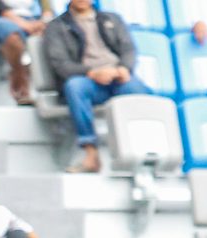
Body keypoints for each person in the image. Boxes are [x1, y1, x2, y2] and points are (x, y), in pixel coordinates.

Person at [46, 0, 146, 174]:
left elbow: (129, 49)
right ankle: (90, 152)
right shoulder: (56, 26)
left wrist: (123, 68)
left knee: (140, 93)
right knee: (74, 87)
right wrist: (92, 72)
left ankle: (142, 152)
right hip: (88, 80)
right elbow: (60, 64)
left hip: (117, 77)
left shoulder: (113, 19)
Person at [0, 0, 50, 104]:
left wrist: (44, 21)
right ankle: (19, 76)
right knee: (13, 36)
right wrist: (25, 25)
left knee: (55, 34)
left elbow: (47, 8)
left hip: (27, 17)